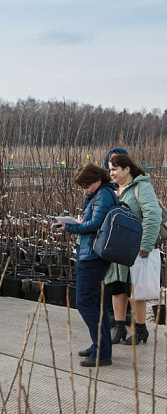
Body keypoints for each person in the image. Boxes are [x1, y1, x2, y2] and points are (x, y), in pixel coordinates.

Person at [57, 163, 117, 367]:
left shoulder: (103, 195)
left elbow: (96, 225)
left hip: (93, 255)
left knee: (84, 302)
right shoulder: (97, 195)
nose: (84, 190)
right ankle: (100, 345)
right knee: (95, 303)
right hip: (90, 252)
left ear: (98, 180)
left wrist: (72, 227)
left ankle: (102, 352)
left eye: (86, 186)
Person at [104, 154, 161, 345]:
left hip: (134, 249)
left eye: (114, 169)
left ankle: (141, 329)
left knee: (135, 288)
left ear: (127, 169)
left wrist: (145, 246)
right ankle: (120, 327)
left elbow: (153, 216)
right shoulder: (114, 190)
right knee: (116, 287)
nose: (111, 173)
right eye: (110, 169)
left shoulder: (141, 188)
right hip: (115, 250)